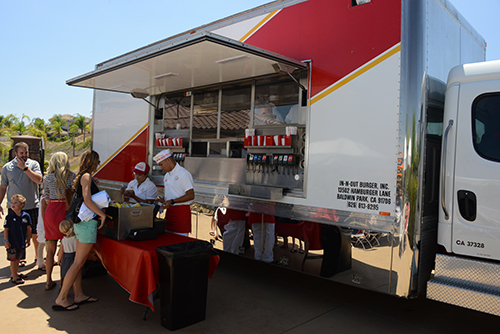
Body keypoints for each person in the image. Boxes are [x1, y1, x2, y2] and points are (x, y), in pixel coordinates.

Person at [53, 150, 105, 311]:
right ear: (92, 162)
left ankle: (79, 294)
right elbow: (87, 199)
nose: (98, 163)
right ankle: (62, 298)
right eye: (97, 161)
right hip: (87, 224)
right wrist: (101, 214)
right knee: (78, 262)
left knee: (78, 261)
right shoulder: (86, 177)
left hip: (81, 224)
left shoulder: (82, 176)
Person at [0, 142, 42, 266]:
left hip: (32, 205)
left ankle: (37, 257)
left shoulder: (33, 164)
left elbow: (38, 180)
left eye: (26, 153)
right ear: (15, 153)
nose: (24, 155)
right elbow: (3, 187)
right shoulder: (7, 167)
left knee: (35, 233)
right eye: (21, 153)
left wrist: (25, 168)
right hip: (14, 208)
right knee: (16, 235)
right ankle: (20, 258)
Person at [43, 152, 76, 291]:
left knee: (50, 250)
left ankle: (48, 280)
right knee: (67, 249)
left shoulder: (47, 178)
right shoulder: (72, 176)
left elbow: (46, 197)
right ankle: (63, 281)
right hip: (65, 212)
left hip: (51, 212)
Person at [153, 149, 194, 236]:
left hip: (181, 214)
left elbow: (191, 195)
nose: (161, 168)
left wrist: (172, 201)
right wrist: (161, 201)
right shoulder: (167, 175)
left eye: (161, 164)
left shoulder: (183, 174)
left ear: (168, 160)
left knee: (180, 243)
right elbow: (169, 195)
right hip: (170, 213)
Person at [4, 194, 32, 284]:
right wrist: (6, 240)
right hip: (12, 242)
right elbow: (6, 229)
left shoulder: (26, 216)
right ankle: (14, 276)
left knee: (18, 259)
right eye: (12, 202)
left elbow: (29, 228)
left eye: (16, 202)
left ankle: (15, 272)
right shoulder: (9, 217)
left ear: (22, 205)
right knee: (13, 260)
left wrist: (28, 239)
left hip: (21, 242)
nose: (13, 204)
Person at [57, 220, 76, 289]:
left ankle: (62, 287)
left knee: (64, 274)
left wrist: (58, 260)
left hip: (66, 258)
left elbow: (61, 251)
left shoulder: (64, 240)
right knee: (74, 275)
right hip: (75, 257)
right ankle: (75, 291)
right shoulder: (76, 238)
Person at [36, 196, 47, 271]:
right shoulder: (44, 199)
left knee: (49, 244)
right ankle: (40, 262)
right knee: (42, 244)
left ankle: (51, 259)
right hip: (43, 225)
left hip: (45, 224)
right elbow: (43, 213)